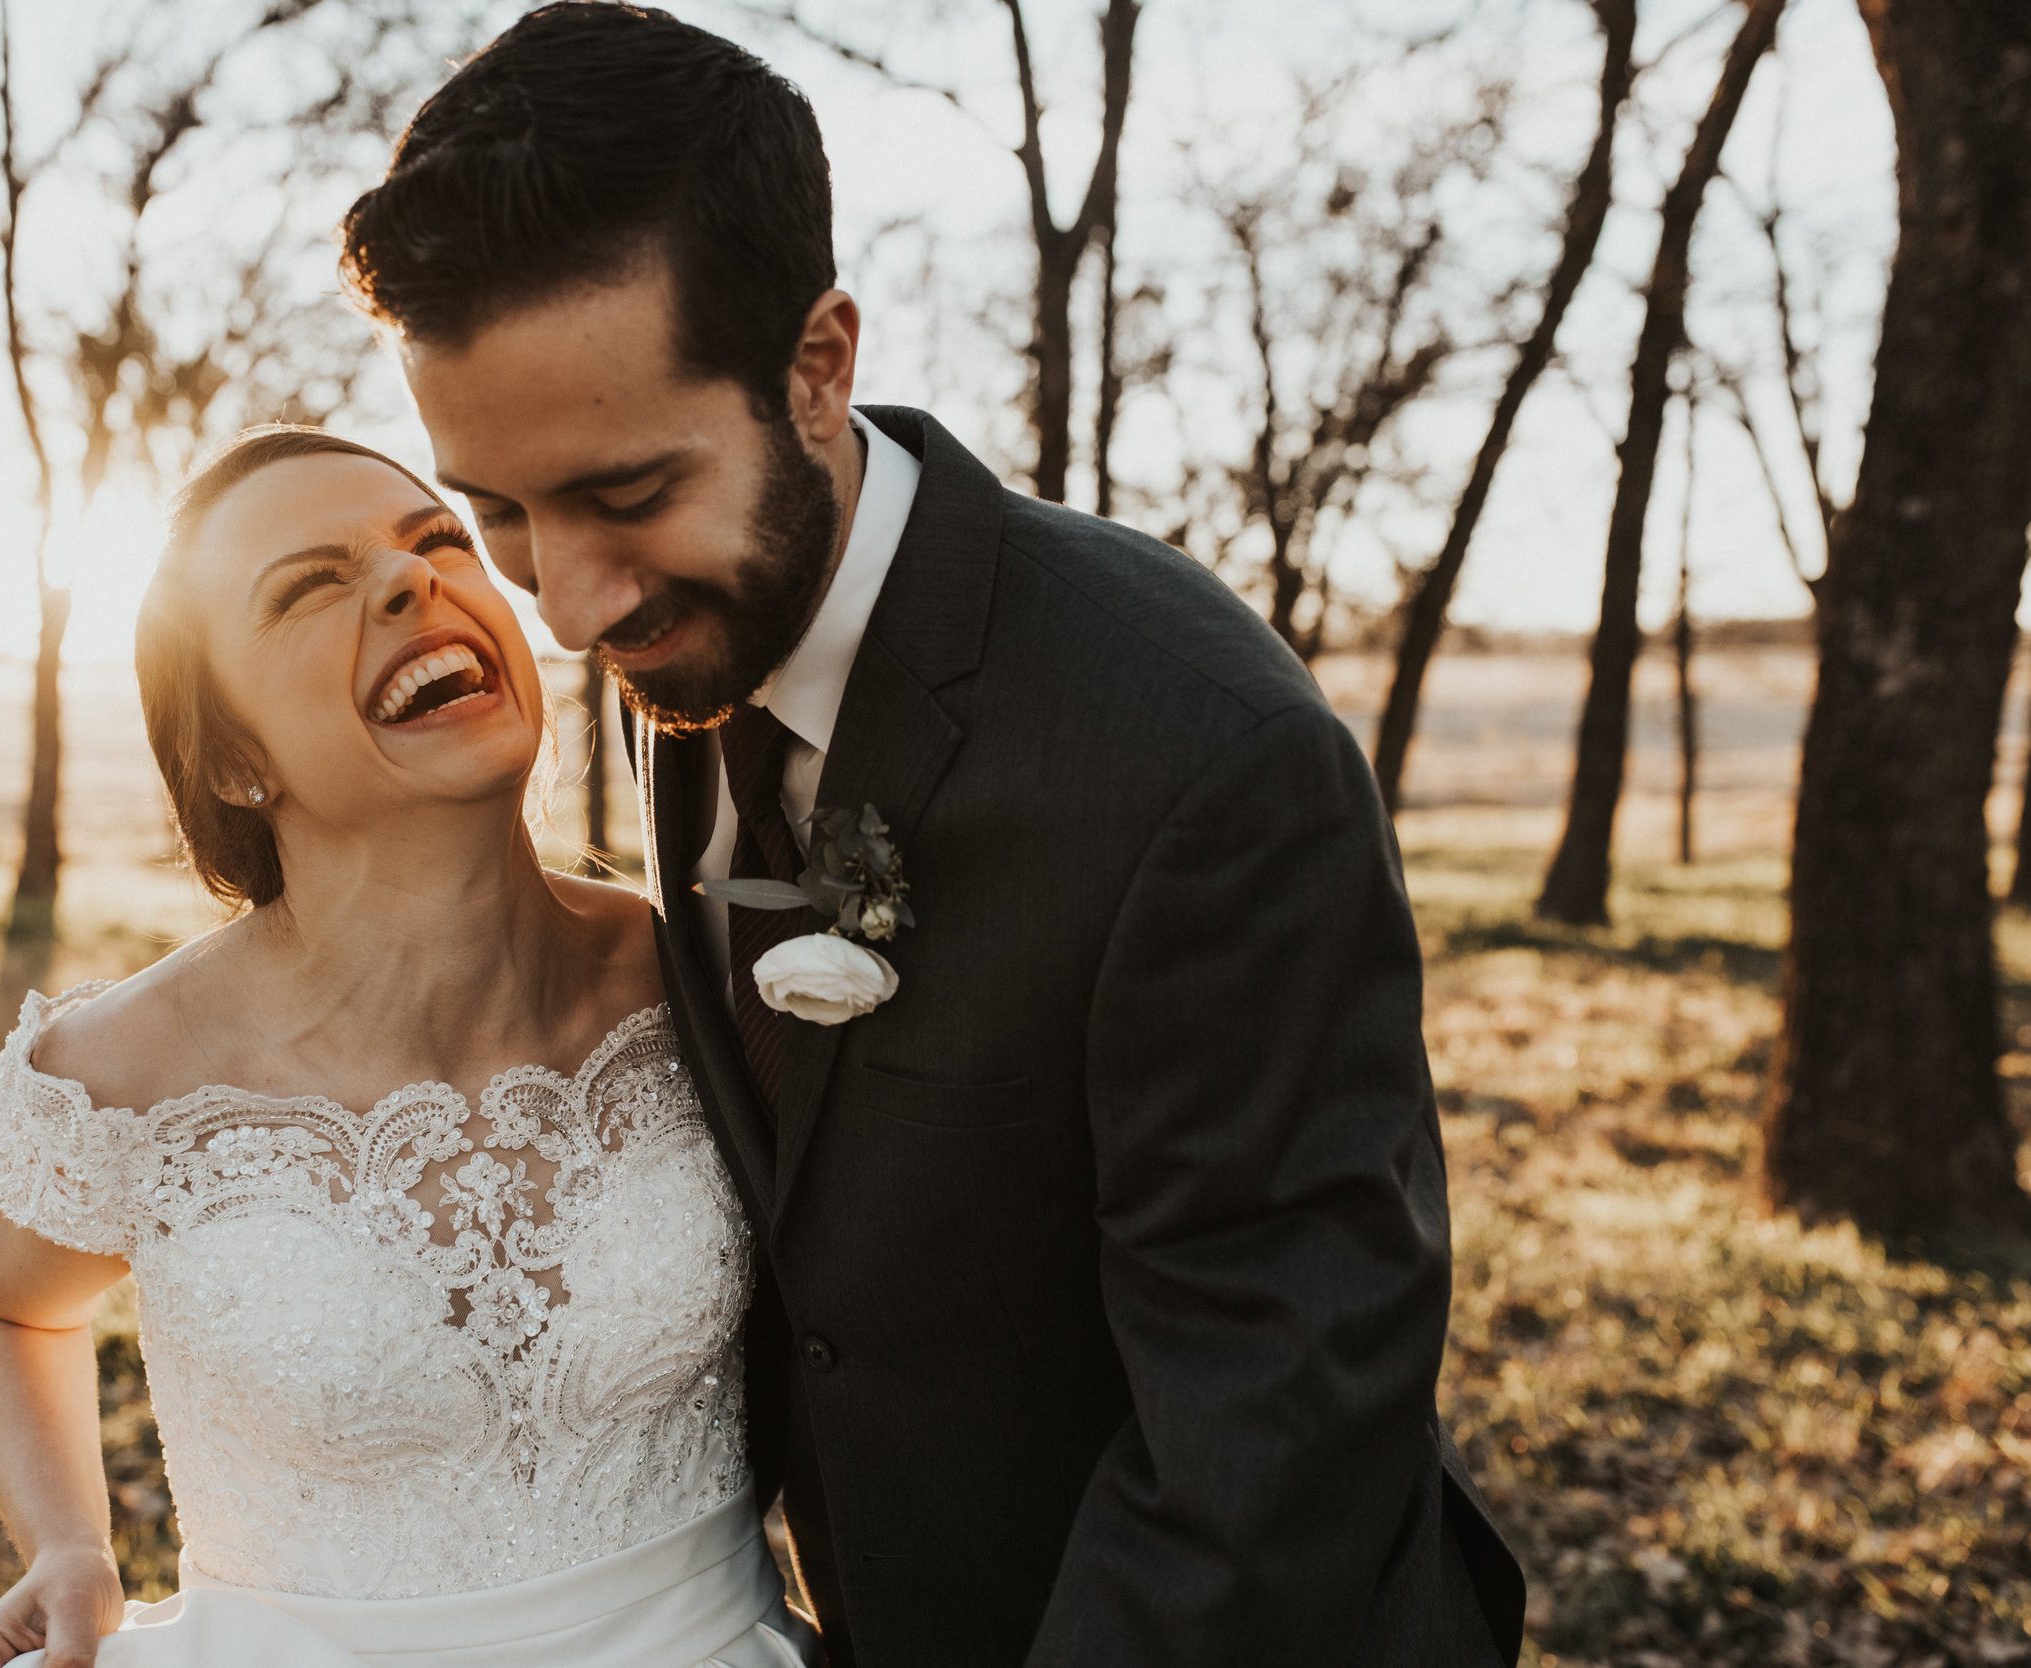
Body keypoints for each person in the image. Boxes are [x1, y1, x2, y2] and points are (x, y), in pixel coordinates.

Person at [338, 6, 1528, 1664]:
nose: (575, 598)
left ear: (818, 367)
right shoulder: (697, 635)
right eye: (502, 512)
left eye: (622, 492)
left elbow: (1267, 1433)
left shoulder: (1202, 761)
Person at [0, 427, 817, 1668]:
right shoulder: (119, 1076)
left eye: (437, 540)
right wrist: (66, 1542)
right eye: (309, 586)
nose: (414, 584)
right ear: (233, 759)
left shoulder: (697, 973)